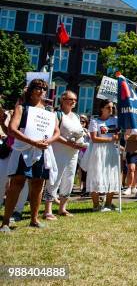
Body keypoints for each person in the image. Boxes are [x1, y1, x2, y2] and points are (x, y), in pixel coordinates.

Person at [1, 79, 60, 231]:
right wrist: (33, 142)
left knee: (38, 184)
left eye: (44, 88)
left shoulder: (49, 112)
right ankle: (6, 222)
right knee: (16, 184)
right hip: (23, 150)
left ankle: (34, 219)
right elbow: (12, 129)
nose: (41, 91)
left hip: (42, 151)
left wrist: (47, 142)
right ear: (31, 90)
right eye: (38, 87)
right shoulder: (21, 108)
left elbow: (57, 132)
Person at [42, 90, 82, 219]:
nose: (73, 102)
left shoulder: (76, 116)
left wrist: (79, 142)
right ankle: (48, 210)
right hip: (59, 151)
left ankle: (62, 208)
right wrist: (70, 143)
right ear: (63, 100)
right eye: (71, 99)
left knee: (69, 178)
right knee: (55, 178)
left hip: (73, 153)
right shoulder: (56, 115)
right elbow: (55, 134)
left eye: (75, 100)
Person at [84, 99, 120, 212]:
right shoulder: (95, 121)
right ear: (102, 108)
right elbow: (94, 138)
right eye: (108, 107)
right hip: (98, 151)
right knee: (96, 174)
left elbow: (118, 135)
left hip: (111, 150)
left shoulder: (115, 120)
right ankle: (96, 205)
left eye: (112, 107)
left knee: (112, 174)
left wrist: (116, 137)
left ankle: (109, 204)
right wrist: (110, 139)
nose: (111, 109)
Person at [122, 129, 137, 195]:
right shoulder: (131, 126)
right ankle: (129, 188)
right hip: (131, 148)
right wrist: (136, 137)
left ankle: (134, 187)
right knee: (131, 168)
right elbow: (126, 137)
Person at [77, 115, 90, 196]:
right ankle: (80, 186)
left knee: (85, 170)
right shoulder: (76, 130)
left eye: (83, 122)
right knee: (78, 170)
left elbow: (91, 138)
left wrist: (87, 133)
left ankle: (85, 187)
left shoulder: (87, 130)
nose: (81, 123)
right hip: (77, 151)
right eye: (80, 121)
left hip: (85, 152)